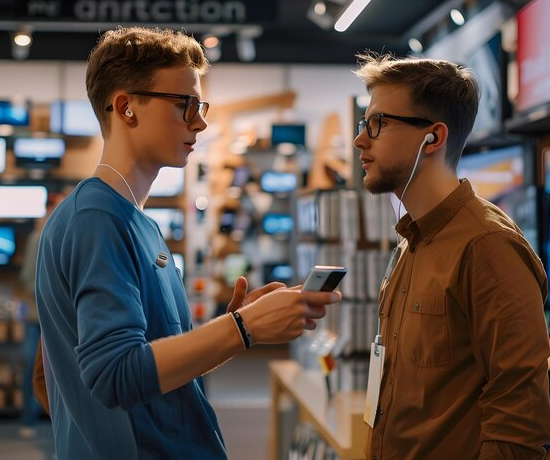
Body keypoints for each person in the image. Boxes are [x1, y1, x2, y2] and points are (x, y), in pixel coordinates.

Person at [35, 26, 340, 460]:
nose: (200, 121)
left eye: (201, 106)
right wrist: (242, 329)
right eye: (186, 105)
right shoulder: (97, 218)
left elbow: (142, 365)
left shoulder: (132, 220)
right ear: (125, 108)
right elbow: (115, 375)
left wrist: (236, 324)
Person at [353, 53, 550, 459]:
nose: (361, 139)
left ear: (434, 137)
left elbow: (518, 422)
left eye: (379, 123)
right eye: (364, 123)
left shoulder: (487, 246)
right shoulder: (412, 238)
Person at [18, 192, 65, 437]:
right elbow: (27, 279)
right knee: (32, 369)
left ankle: (56, 424)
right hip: (37, 318)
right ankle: (28, 420)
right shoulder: (38, 237)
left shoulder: (65, 235)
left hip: (57, 320)